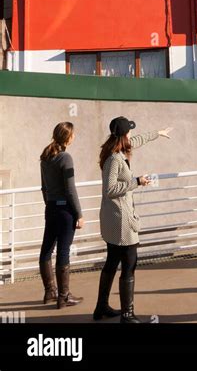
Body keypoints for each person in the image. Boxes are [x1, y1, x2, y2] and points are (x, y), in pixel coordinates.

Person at [93, 116, 172, 323]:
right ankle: (127, 315)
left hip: (114, 218)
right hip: (121, 220)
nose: (131, 134)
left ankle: (101, 307)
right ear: (123, 135)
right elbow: (109, 190)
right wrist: (136, 182)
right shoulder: (114, 159)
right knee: (129, 264)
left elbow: (136, 140)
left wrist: (157, 133)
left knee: (111, 263)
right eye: (129, 131)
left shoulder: (118, 149)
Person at [39, 121, 83, 309]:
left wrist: (50, 205)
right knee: (63, 251)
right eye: (73, 134)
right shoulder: (65, 158)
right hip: (65, 211)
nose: (74, 137)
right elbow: (70, 189)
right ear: (68, 137)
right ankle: (63, 297)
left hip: (51, 208)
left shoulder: (46, 157)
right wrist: (79, 214)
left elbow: (44, 188)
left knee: (47, 250)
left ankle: (50, 292)